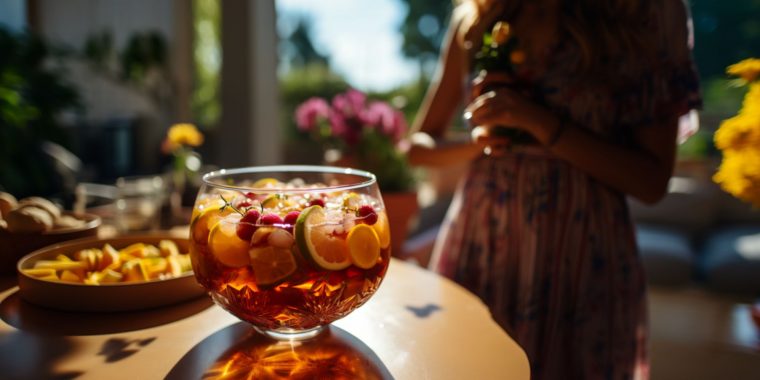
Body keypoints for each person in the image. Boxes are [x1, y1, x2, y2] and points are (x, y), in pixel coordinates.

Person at [406, 0, 702, 378]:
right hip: (482, 244)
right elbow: (418, 147)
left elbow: (651, 182)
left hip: (580, 254)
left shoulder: (638, 13)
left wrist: (537, 121)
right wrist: (483, 139)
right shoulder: (479, 17)